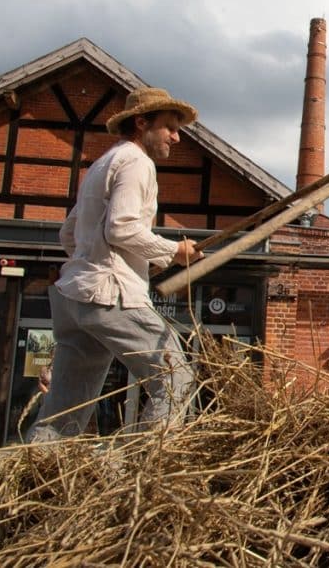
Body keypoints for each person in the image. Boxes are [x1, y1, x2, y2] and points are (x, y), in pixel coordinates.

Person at [28, 87, 203, 442]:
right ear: (141, 123)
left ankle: (33, 476)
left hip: (76, 296)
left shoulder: (102, 164)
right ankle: (148, 472)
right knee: (175, 376)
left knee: (64, 410)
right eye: (169, 126)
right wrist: (174, 252)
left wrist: (104, 259)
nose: (177, 136)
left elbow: (68, 233)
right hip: (111, 294)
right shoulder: (139, 162)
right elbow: (122, 227)